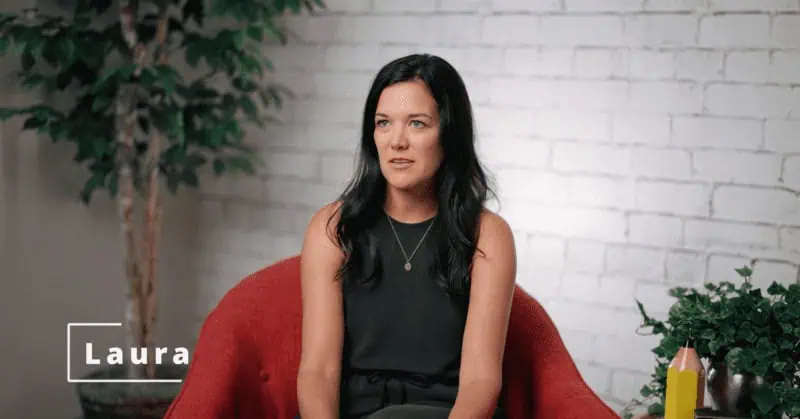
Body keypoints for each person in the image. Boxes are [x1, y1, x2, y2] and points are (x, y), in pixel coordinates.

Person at [296, 53, 517, 419]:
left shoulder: (487, 234)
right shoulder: (333, 226)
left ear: (449, 133)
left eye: (417, 123)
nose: (396, 141)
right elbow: (318, 371)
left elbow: (481, 379)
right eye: (384, 123)